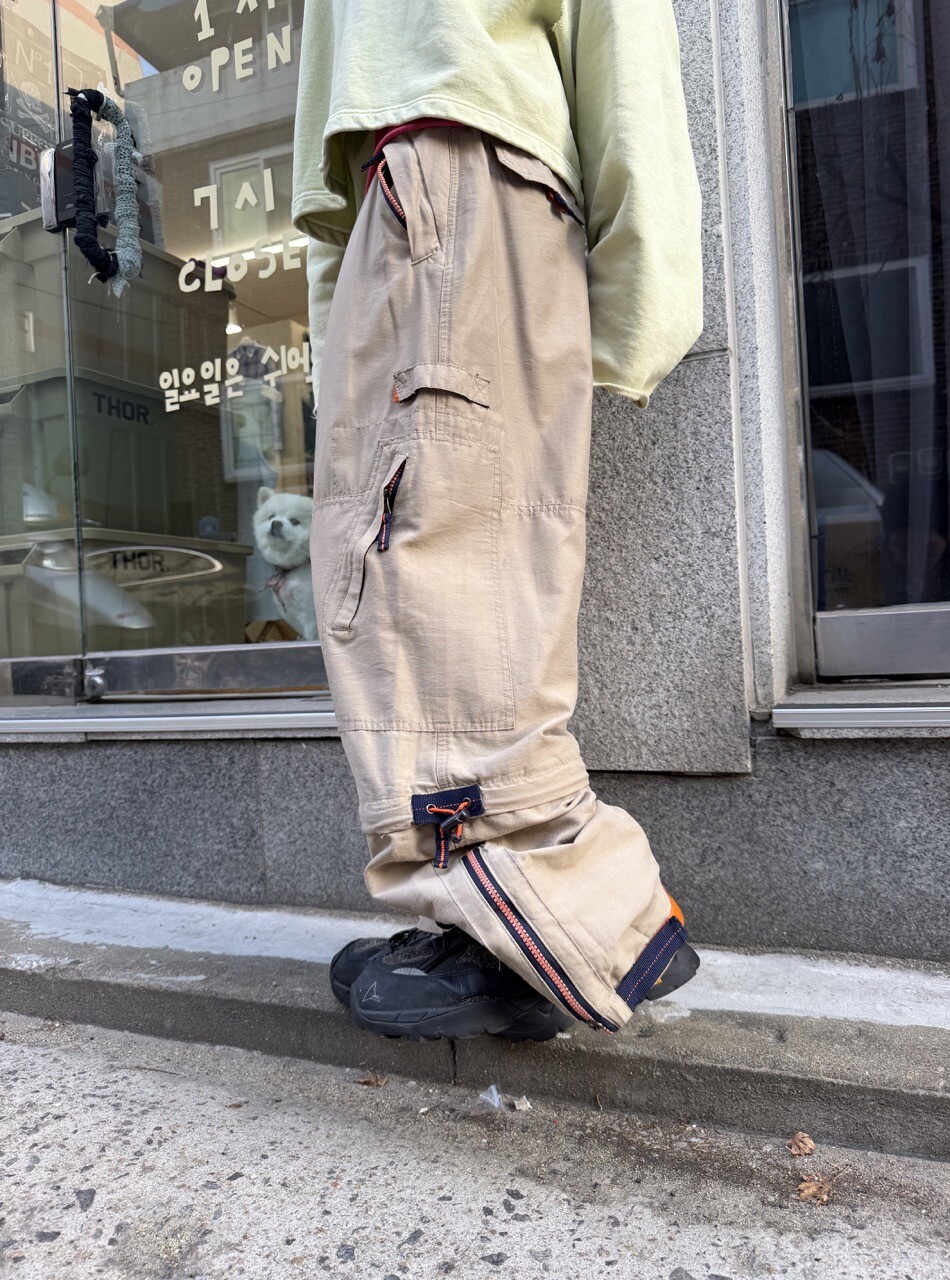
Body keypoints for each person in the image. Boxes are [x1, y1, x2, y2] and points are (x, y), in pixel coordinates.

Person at [291, 0, 705, 1041]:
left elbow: (617, 34)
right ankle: (492, 914)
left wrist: (645, 301)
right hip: (411, 188)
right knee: (405, 569)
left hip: (460, 171)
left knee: (439, 561)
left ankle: (571, 921)